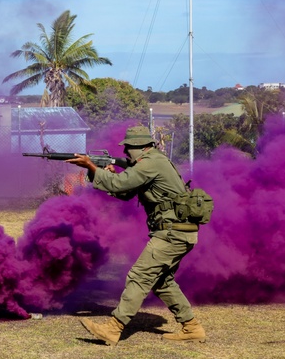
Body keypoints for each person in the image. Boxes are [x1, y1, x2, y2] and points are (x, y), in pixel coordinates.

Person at [66, 125, 206, 345]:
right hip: (178, 232)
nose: (125, 153)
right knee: (162, 281)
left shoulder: (151, 163)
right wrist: (101, 172)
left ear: (140, 147)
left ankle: (114, 328)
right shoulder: (152, 162)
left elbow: (119, 183)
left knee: (139, 276)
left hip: (172, 233)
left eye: (128, 148)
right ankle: (192, 328)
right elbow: (124, 191)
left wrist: (91, 166)